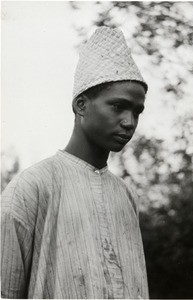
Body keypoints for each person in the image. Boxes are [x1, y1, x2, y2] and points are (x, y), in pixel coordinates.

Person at [1, 26, 149, 299]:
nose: (129, 123)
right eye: (118, 106)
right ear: (81, 105)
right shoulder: (32, 186)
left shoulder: (126, 195)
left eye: (137, 111)